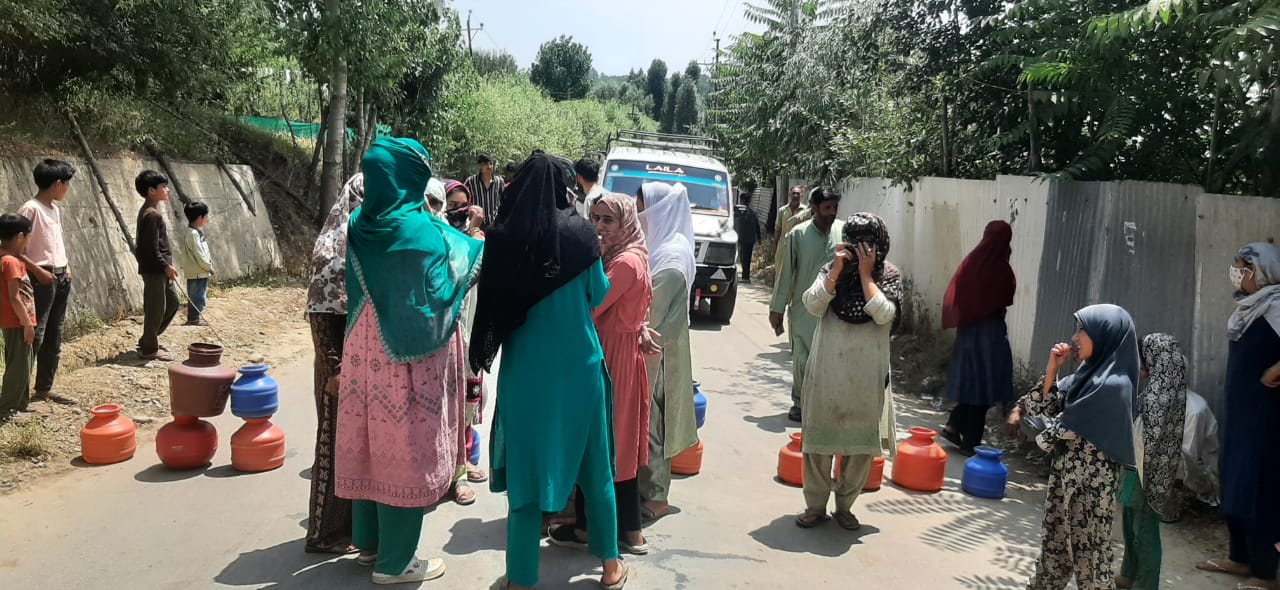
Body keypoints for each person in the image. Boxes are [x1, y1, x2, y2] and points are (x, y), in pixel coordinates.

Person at [470, 153, 627, 590]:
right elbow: (597, 294)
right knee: (595, 470)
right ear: (563, 188)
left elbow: (493, 306)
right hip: (580, 370)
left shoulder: (502, 239)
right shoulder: (580, 233)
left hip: (525, 375)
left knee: (526, 480)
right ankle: (611, 568)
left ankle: (521, 580)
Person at [334, 138, 482, 584]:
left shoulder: (359, 222)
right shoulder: (420, 231)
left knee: (371, 439)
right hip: (407, 353)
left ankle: (370, 544)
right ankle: (396, 563)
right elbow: (445, 284)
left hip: (363, 346)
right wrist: (475, 242)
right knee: (405, 444)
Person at [548, 193, 655, 556]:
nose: (599, 226)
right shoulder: (630, 255)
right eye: (594, 218)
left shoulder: (623, 262)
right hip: (618, 352)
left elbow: (592, 306)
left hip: (612, 358)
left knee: (605, 442)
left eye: (608, 220)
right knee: (614, 441)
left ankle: (602, 530)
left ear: (625, 223)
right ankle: (619, 530)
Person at [1007, 304, 1139, 590]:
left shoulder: (1114, 385)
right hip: (1064, 482)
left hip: (1089, 491)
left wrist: (1043, 433)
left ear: (1103, 335)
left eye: (1082, 330)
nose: (1075, 337)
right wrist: (1052, 369)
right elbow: (1044, 407)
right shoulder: (1085, 375)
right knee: (1053, 558)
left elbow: (1064, 425)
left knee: (1091, 567)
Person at [794, 212, 901, 530]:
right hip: (827, 374)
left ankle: (845, 507)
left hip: (866, 379)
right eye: (855, 243)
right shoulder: (832, 269)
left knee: (859, 450)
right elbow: (813, 305)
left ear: (880, 244)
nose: (862, 250)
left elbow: (884, 315)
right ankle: (815, 506)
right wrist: (836, 271)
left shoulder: (889, 275)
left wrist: (866, 276)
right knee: (818, 446)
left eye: (869, 243)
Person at [1197, 242, 1280, 590]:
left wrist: (1275, 370)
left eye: (1242, 266)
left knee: (1260, 485)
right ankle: (1239, 557)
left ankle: (1265, 572)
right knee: (1234, 478)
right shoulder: (1248, 307)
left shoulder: (1276, 307)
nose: (1236, 272)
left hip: (1265, 415)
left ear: (1260, 272)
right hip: (1241, 410)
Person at [303, 173, 364, 555]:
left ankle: (352, 527)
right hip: (337, 368)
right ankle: (323, 534)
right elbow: (321, 315)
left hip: (358, 364)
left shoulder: (359, 244)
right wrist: (335, 368)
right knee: (332, 447)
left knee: (354, 448)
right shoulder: (333, 252)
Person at [635, 181, 698, 524]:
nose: (640, 217)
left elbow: (650, 311)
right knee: (649, 422)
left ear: (660, 212)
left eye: (643, 210)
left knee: (652, 424)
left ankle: (657, 496)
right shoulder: (665, 246)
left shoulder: (671, 258)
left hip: (660, 354)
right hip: (659, 348)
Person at [1115, 333, 1187, 590]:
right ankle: (1129, 573)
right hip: (1136, 464)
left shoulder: (1162, 392)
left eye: (1144, 363)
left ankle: (1146, 584)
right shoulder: (1160, 386)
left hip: (1149, 471)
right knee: (1129, 522)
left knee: (1144, 529)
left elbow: (1149, 438)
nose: (1142, 370)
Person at [939, 220, 1016, 455]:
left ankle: (954, 425)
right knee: (985, 385)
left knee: (971, 381)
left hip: (967, 332)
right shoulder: (1001, 269)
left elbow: (959, 295)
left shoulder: (971, 263)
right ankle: (970, 441)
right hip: (990, 333)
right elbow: (1007, 297)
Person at [770, 187, 844, 422]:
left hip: (834, 309)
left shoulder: (843, 232)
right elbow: (786, 274)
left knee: (829, 359)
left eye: (835, 207)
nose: (832, 212)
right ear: (813, 208)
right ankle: (800, 403)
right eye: (827, 207)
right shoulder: (798, 235)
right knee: (802, 359)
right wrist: (777, 307)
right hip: (803, 310)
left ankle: (824, 405)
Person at [442, 178, 487, 507]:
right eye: (451, 207)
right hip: (445, 332)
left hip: (471, 326)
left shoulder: (478, 238)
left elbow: (480, 271)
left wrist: (474, 233)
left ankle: (466, 457)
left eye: (463, 206)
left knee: (470, 395)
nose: (458, 212)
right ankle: (451, 469)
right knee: (447, 400)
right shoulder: (437, 236)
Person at [18, 159, 77, 405]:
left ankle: (44, 388)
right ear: (57, 183)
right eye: (67, 184)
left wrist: (66, 265)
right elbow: (13, 249)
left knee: (55, 334)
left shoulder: (54, 209)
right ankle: (18, 394)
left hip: (60, 277)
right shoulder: (30, 209)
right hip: (40, 278)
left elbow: (55, 243)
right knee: (36, 335)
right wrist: (37, 271)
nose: (67, 190)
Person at [133, 170, 180, 362]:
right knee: (156, 309)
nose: (167, 190)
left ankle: (148, 339)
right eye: (163, 187)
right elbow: (151, 248)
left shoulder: (150, 211)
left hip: (159, 269)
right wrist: (165, 266)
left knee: (173, 303)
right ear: (151, 191)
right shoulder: (152, 215)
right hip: (155, 270)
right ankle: (149, 349)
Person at [0, 215, 37, 419]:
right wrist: (27, 324)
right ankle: (7, 408)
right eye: (28, 238)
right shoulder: (10, 262)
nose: (28, 243)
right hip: (18, 321)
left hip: (16, 321)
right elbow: (14, 297)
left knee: (23, 362)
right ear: (20, 236)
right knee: (19, 365)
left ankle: (21, 403)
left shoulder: (5, 258)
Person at [178, 202, 214, 326]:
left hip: (199, 270)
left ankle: (195, 317)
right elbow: (199, 254)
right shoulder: (193, 234)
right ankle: (194, 318)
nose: (206, 219)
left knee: (198, 294)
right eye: (205, 216)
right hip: (198, 271)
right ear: (200, 217)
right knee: (197, 296)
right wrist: (208, 267)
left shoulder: (195, 232)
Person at [773, 185, 809, 271]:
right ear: (790, 194)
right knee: (779, 272)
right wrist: (775, 246)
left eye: (798, 194)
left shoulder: (806, 211)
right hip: (783, 248)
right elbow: (778, 229)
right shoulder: (782, 210)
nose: (795, 196)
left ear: (801, 195)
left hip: (799, 248)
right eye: (793, 193)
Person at [464, 153, 504, 223]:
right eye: (486, 164)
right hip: (477, 222)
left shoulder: (499, 181)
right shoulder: (471, 181)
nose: (489, 166)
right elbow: (464, 199)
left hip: (494, 222)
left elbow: (503, 200)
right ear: (480, 166)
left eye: (491, 163)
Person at [734, 192, 762, 282]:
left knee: (743, 257)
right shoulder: (752, 212)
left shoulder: (739, 211)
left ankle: (745, 277)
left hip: (743, 237)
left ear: (742, 200)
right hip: (750, 238)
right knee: (747, 257)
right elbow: (757, 226)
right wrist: (759, 238)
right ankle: (745, 276)